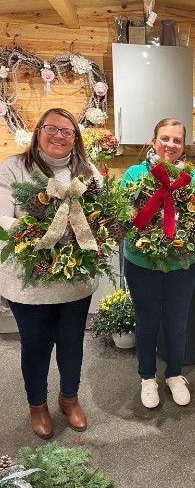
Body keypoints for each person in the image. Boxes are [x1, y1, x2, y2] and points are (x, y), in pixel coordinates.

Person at [0, 108, 103, 439]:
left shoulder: (87, 172)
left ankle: (69, 399)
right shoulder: (14, 168)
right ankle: (38, 405)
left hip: (75, 283)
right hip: (29, 285)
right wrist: (32, 229)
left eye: (67, 131)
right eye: (52, 129)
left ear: (75, 138)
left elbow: (102, 216)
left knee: (73, 342)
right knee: (36, 345)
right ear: (38, 131)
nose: (59, 136)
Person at [122, 118, 195, 409]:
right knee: (147, 322)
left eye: (176, 140)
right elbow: (125, 217)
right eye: (165, 138)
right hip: (141, 262)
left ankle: (174, 375)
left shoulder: (193, 178)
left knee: (177, 321)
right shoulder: (135, 174)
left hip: (182, 264)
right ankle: (147, 377)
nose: (170, 144)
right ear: (153, 140)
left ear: (183, 145)